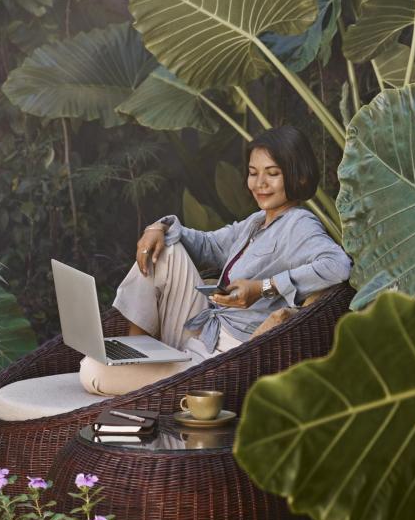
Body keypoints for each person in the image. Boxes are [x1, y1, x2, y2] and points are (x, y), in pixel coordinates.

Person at [79, 127, 351, 396]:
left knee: (92, 370)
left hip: (222, 359)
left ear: (299, 176)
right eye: (253, 173)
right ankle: (136, 348)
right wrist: (157, 228)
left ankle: (138, 362)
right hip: (203, 331)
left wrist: (263, 287)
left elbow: (338, 264)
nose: (260, 184)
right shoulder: (256, 222)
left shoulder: (299, 224)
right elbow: (208, 245)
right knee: (164, 249)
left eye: (272, 174)